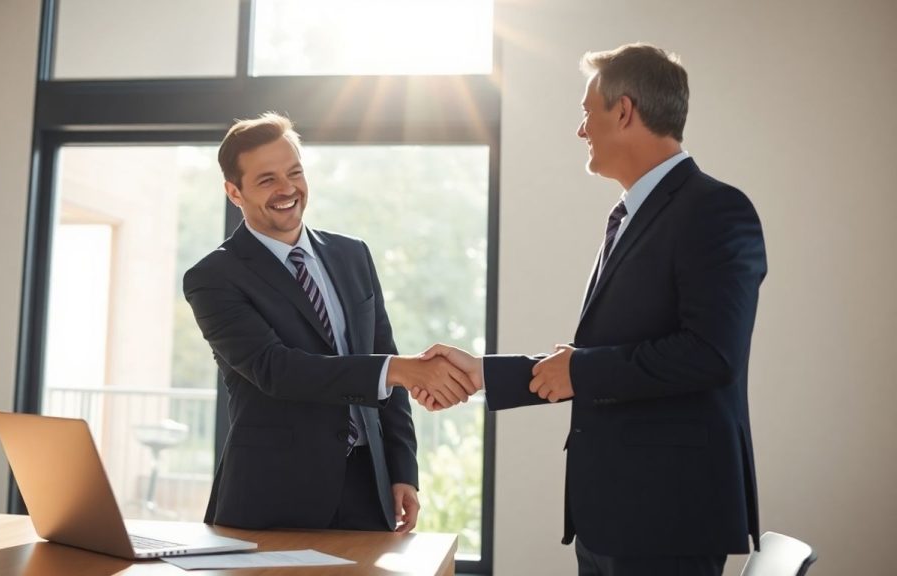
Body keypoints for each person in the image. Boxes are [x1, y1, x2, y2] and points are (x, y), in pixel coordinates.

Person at [415, 44, 767, 575]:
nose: (581, 129)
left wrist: (579, 369)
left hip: (667, 519)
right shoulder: (629, 215)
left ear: (623, 111)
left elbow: (710, 354)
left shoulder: (716, 210)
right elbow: (601, 361)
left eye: (586, 112)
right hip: (612, 516)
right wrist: (485, 373)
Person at [183, 112, 477, 533]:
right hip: (272, 495)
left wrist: (402, 470)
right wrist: (399, 369)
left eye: (294, 173)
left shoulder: (352, 255)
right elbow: (276, 369)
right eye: (266, 180)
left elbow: (384, 357)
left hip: (367, 487)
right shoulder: (213, 277)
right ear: (234, 192)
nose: (287, 189)